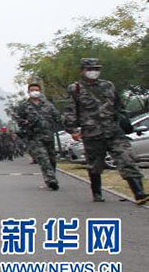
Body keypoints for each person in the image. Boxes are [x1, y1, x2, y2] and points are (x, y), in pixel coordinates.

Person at [62, 58, 148, 204]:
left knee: (126, 159)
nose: (93, 72)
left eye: (96, 69)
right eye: (90, 69)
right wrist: (72, 130)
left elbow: (118, 106)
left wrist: (124, 121)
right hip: (92, 133)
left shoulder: (108, 85)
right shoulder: (75, 89)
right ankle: (97, 193)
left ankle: (139, 193)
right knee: (95, 165)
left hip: (114, 131)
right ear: (82, 70)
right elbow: (70, 110)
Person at [14, 80, 59, 190]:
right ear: (28, 92)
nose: (35, 92)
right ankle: (51, 179)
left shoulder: (48, 105)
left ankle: (51, 176)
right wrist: (24, 122)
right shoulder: (24, 106)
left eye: (36, 90)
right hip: (34, 137)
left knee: (52, 159)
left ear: (40, 91)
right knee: (43, 158)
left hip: (48, 135)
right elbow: (18, 118)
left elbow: (57, 116)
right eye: (32, 90)